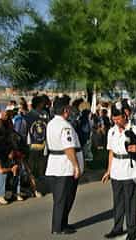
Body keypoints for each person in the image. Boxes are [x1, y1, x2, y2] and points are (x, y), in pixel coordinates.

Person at [101, 107, 136, 240]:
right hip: (116, 169)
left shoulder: (135, 130)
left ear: (125, 116)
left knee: (130, 202)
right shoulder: (112, 131)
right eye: (114, 119)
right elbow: (111, 152)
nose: (116, 122)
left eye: (118, 119)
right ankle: (117, 228)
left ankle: (132, 230)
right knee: (118, 202)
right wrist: (108, 170)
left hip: (130, 170)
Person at [45, 95, 84, 235]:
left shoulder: (51, 123)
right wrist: (76, 166)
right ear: (65, 110)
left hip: (54, 164)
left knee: (59, 198)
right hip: (64, 166)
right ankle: (59, 226)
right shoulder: (65, 126)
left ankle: (60, 224)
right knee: (65, 198)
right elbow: (69, 148)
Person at [26, 95, 49, 178]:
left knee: (36, 162)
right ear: (39, 104)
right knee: (38, 163)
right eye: (42, 103)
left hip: (35, 143)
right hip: (37, 143)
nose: (44, 104)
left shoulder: (29, 114)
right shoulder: (43, 114)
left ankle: (35, 180)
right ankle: (36, 180)